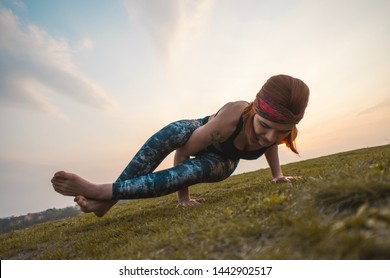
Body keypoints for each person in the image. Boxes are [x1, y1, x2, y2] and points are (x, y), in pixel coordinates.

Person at [51, 74, 310, 217]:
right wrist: (183, 198)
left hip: (222, 160)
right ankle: (104, 198)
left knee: (193, 171)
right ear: (254, 110)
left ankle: (102, 195)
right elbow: (184, 151)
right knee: (168, 135)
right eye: (264, 126)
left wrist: (277, 175)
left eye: (281, 131)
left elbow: (271, 146)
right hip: (201, 132)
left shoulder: (277, 131)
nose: (268, 137)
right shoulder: (229, 119)